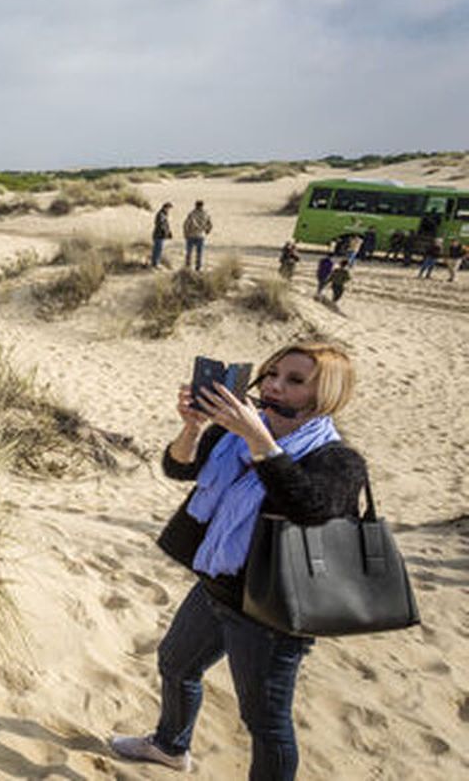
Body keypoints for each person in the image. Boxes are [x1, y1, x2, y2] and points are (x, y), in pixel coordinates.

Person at [110, 342, 366, 779]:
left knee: (265, 721)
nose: (275, 386)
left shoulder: (338, 460)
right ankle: (170, 747)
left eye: (295, 380)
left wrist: (259, 440)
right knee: (175, 664)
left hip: (273, 609)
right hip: (218, 583)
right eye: (272, 374)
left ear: (325, 395)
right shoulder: (234, 434)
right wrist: (192, 427)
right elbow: (179, 467)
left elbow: (308, 507)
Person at [182, 200, 212, 271]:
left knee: (189, 253)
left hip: (191, 235)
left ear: (195, 205)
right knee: (199, 253)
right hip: (201, 236)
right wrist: (207, 231)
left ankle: (188, 267)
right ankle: (198, 267)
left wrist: (185, 234)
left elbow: (186, 224)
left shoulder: (191, 214)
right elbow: (210, 225)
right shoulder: (206, 214)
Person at [150, 202, 174, 269]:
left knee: (159, 249)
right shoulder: (161, 214)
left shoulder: (163, 214)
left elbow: (165, 225)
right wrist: (165, 232)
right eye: (168, 208)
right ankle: (155, 263)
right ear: (165, 207)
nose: (169, 210)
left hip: (160, 235)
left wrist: (168, 232)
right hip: (159, 234)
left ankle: (156, 263)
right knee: (157, 249)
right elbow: (160, 224)